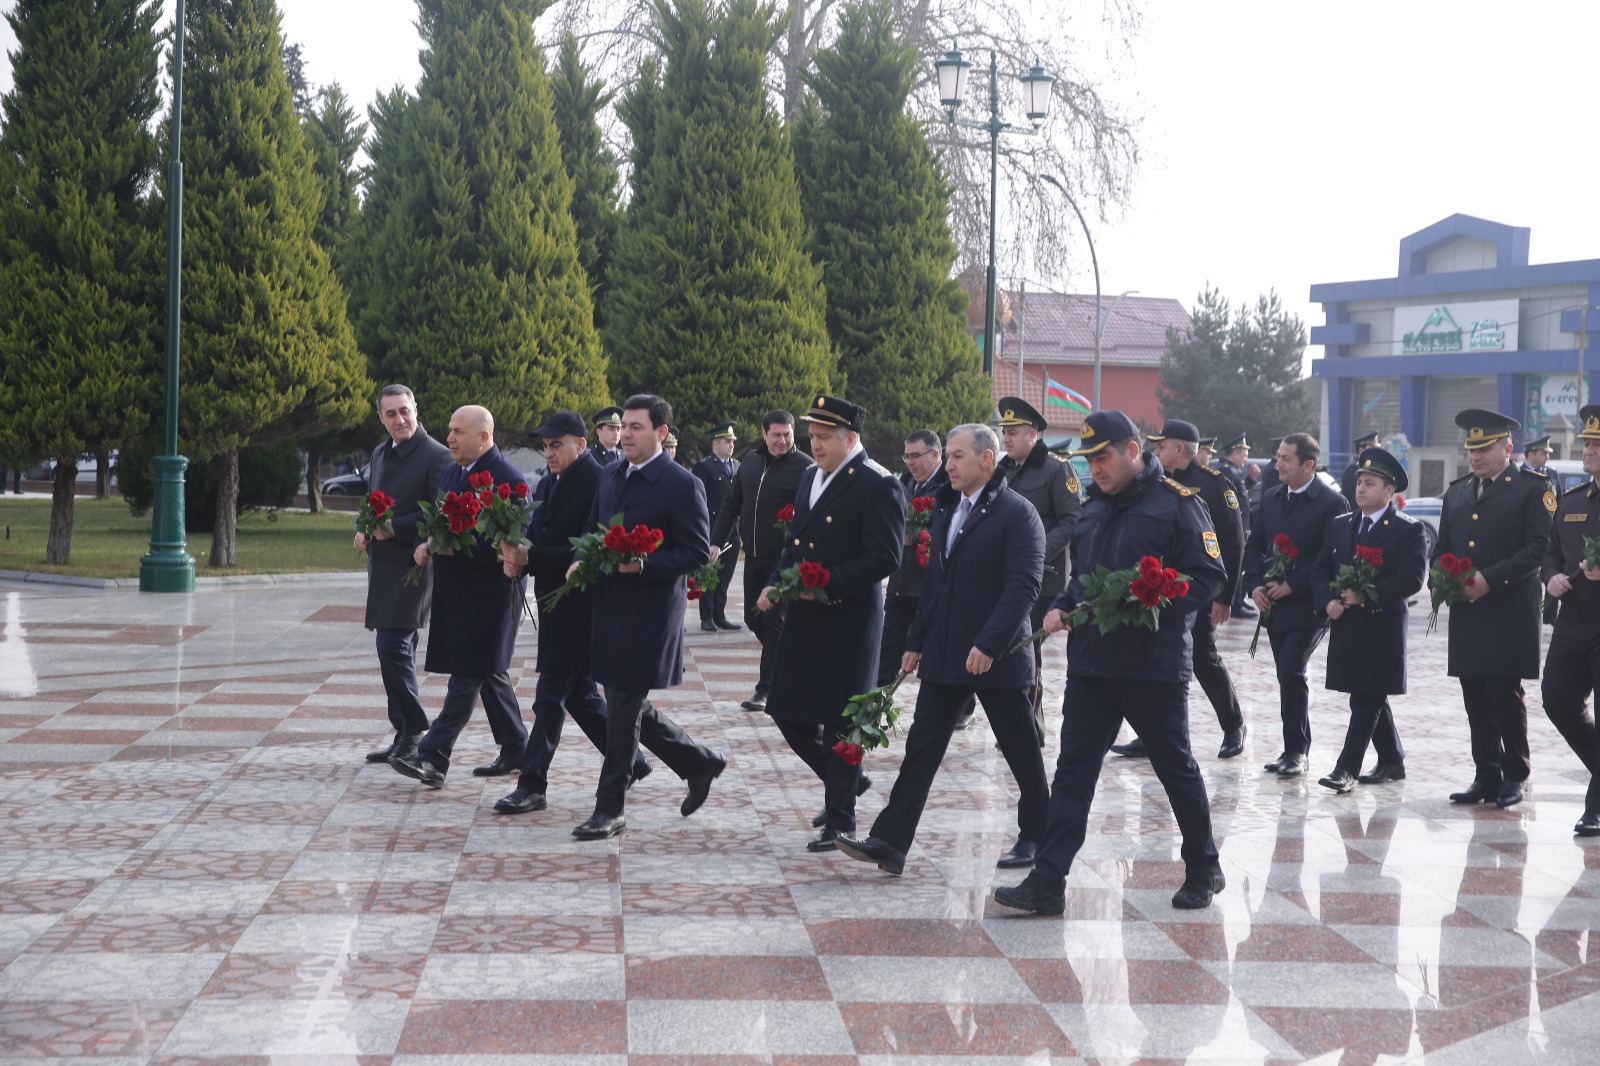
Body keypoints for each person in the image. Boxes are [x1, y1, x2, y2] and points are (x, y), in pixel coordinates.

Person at [993, 410, 1227, 916]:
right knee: (1073, 772)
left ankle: (1203, 865)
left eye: (1102, 457)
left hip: (1152, 666)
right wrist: (1060, 606)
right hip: (1093, 666)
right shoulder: (1094, 509)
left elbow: (1208, 578)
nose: (1095, 469)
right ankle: (1048, 881)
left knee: (1175, 768)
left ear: (1132, 450)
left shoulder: (1179, 506)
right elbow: (1082, 580)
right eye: (1088, 460)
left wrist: (1152, 600)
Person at [836, 423, 1048, 875]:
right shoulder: (947, 508)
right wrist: (915, 641)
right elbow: (936, 584)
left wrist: (990, 644)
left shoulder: (1018, 513)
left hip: (998, 659)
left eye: (956, 456)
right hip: (947, 656)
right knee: (921, 749)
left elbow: (1023, 587)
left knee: (1021, 752)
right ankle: (890, 842)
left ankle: (1038, 834)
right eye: (947, 456)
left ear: (986, 461)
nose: (946, 465)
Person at [572, 394, 728, 840]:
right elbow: (594, 530)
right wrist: (580, 558)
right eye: (624, 427)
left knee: (621, 708)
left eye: (637, 427)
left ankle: (610, 809)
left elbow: (696, 551)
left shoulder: (681, 483)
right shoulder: (610, 476)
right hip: (609, 604)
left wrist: (642, 565)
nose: (626, 436)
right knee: (627, 703)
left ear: (661, 433)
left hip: (651, 612)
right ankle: (697, 761)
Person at [758, 395, 904, 852]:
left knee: (842, 722)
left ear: (851, 439)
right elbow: (796, 544)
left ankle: (840, 819)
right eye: (812, 437)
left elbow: (885, 557)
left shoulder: (878, 484)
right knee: (785, 708)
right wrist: (774, 583)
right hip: (805, 613)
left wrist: (828, 583)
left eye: (823, 438)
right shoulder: (808, 477)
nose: (814, 445)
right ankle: (848, 782)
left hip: (849, 618)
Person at [492, 411, 650, 814]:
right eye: (545, 446)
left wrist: (531, 556)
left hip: (583, 604)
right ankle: (634, 760)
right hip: (554, 604)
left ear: (580, 445)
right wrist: (516, 556)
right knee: (580, 697)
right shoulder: (547, 483)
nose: (548, 452)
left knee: (549, 697)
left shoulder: (601, 482)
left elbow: (585, 548)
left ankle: (532, 785)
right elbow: (536, 534)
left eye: (556, 445)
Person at [389, 406, 529, 787]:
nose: (449, 438)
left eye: (457, 432)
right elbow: (435, 521)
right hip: (458, 592)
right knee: (489, 673)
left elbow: (512, 547)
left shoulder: (509, 481)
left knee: (467, 674)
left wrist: (455, 549)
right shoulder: (454, 472)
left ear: (484, 437)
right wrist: (424, 544)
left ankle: (433, 757)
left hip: (492, 594)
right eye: (449, 430)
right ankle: (517, 745)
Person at [1433, 408, 1552, 809]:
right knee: (1473, 693)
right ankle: (1486, 773)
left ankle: (1514, 774)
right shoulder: (1458, 491)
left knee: (1504, 691)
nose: (1477, 457)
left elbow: (1538, 548)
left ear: (1507, 447)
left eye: (1484, 449)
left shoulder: (1532, 489)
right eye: (1472, 450)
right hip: (1468, 610)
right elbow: (1442, 549)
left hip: (1508, 610)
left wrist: (1490, 578)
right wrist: (1442, 579)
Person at [1113, 420, 1247, 759]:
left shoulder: (1215, 486)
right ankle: (1149, 734)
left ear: (1178, 449)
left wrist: (1225, 597)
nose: (1155, 451)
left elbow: (1232, 545)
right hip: (1158, 589)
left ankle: (1234, 725)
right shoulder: (1155, 482)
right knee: (1151, 657)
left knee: (1203, 658)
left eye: (1161, 445)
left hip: (1198, 589)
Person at [1307, 447, 1427, 793]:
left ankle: (1346, 769)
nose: (1361, 489)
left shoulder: (1407, 529)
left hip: (1382, 627)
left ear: (1389, 492)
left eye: (1370, 484)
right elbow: (1320, 568)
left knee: (1366, 698)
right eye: (1359, 482)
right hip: (1347, 625)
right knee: (1366, 694)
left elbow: (1412, 579)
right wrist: (1326, 600)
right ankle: (1392, 759)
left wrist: (1366, 594)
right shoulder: (1341, 525)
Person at [355, 384, 453, 766]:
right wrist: (365, 527)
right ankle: (403, 734)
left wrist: (396, 527)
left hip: (415, 566)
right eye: (391, 414)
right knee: (396, 650)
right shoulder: (380, 453)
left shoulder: (436, 455)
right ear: (380, 418)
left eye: (404, 411)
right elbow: (373, 501)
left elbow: (440, 514)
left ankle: (413, 728)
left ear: (416, 408)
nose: (400, 419)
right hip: (382, 566)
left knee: (392, 647)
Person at [1243, 432, 1349, 778]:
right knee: (1284, 674)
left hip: (1309, 606)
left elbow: (1332, 559)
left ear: (1308, 464)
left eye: (1286, 459)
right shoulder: (1272, 497)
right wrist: (1255, 584)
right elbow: (1255, 545)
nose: (1279, 464)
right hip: (1274, 606)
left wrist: (1294, 584)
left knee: (1291, 669)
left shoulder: (1332, 503)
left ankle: (1298, 750)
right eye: (1277, 457)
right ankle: (1291, 748)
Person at [709, 410, 814, 711]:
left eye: (788, 434)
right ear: (764, 433)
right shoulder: (750, 463)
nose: (782, 440)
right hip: (753, 556)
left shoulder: (805, 467)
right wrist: (717, 541)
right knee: (753, 618)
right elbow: (732, 504)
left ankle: (767, 689)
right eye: (776, 434)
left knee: (772, 621)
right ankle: (790, 664)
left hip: (783, 559)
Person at [996, 396, 1082, 744]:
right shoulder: (1002, 470)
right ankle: (1026, 724)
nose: (1007, 439)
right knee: (1011, 650)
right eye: (1005, 432)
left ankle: (1028, 727)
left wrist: (1035, 551)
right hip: (1005, 576)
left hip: (1043, 578)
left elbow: (1072, 519)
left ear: (1033, 434)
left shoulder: (1056, 468)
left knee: (1026, 651)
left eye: (1014, 432)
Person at [1538, 405, 1600, 835]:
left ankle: (1594, 807)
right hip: (1574, 622)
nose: (1589, 450)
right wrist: (1552, 576)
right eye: (1588, 443)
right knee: (1557, 700)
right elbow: (1551, 551)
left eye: (1597, 444)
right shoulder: (1574, 499)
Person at [877, 429, 949, 688]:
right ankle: (873, 709)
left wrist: (917, 536)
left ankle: (962, 709)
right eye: (906, 456)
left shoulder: (951, 486)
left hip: (931, 584)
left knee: (938, 650)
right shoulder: (901, 485)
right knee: (887, 650)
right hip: (900, 583)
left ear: (935, 455)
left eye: (916, 456)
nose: (909, 463)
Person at [692, 422, 742, 633]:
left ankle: (719, 614)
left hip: (733, 531)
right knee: (708, 575)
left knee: (725, 576)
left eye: (732, 441)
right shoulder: (705, 466)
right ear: (715, 443)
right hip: (711, 529)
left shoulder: (737, 466)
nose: (731, 445)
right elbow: (697, 499)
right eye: (727, 441)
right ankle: (706, 617)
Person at [1340, 431, 1380, 507]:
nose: (1375, 452)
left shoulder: (1366, 467)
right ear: (1361, 450)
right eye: (1372, 448)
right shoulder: (1353, 468)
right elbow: (1358, 497)